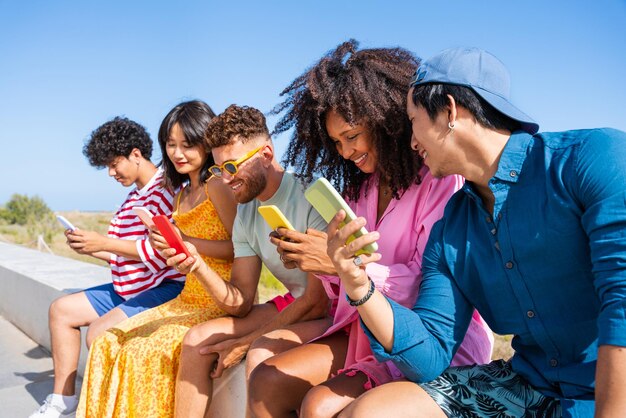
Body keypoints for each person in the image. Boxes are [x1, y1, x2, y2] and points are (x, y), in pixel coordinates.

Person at [333, 47, 626, 418]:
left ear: (450, 111)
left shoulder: (592, 158)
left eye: (413, 121)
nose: (410, 141)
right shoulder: (451, 229)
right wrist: (360, 287)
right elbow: (429, 355)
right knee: (372, 412)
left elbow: (623, 298)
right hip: (530, 386)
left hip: (612, 386)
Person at [247, 40, 493, 418]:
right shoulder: (358, 189)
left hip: (429, 337)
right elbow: (339, 289)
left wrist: (341, 266)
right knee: (267, 379)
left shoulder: (440, 183)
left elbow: (432, 283)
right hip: (363, 329)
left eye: (351, 136)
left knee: (319, 405)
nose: (345, 152)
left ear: (386, 121)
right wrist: (313, 260)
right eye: (335, 143)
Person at [164, 104, 330, 418]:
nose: (225, 180)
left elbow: (318, 300)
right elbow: (240, 301)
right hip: (295, 301)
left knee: (259, 349)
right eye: (218, 169)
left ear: (266, 154)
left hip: (334, 309)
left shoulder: (311, 193)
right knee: (198, 342)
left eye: (231, 167)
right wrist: (197, 264)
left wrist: (245, 342)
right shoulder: (246, 211)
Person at [74, 100, 237, 417]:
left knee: (141, 350)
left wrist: (184, 243)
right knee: (107, 341)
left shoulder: (216, 185)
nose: (178, 153)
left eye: (188, 144)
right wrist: (168, 246)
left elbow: (238, 248)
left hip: (216, 297)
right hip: (187, 295)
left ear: (207, 143)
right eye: (171, 144)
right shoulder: (181, 192)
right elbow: (183, 255)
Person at [30, 117, 185, 418]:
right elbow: (122, 253)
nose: (111, 173)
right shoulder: (131, 200)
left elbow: (162, 250)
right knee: (61, 311)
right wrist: (91, 247)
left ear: (136, 155)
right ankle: (62, 401)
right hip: (130, 288)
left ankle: (105, 408)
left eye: (114, 164)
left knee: (100, 334)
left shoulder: (168, 189)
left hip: (163, 288)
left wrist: (104, 243)